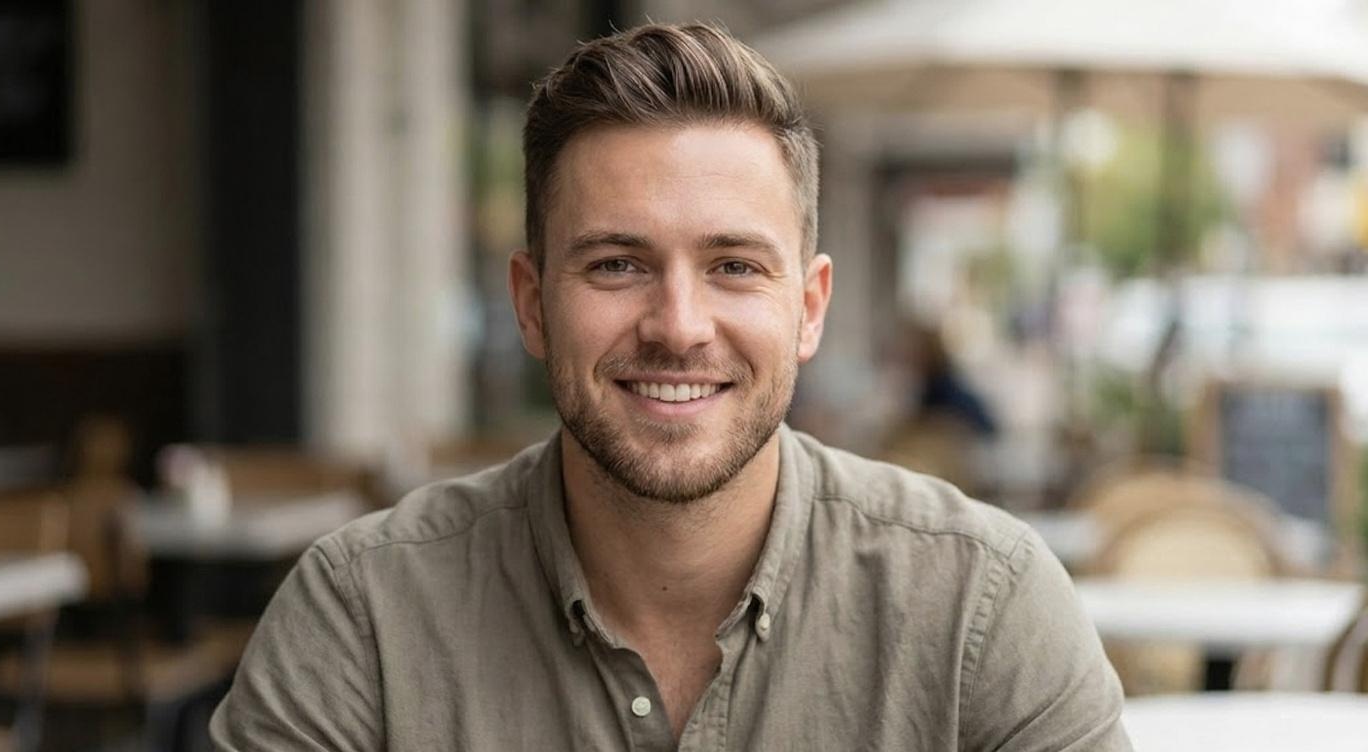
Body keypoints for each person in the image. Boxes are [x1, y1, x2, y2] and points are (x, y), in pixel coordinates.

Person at [211, 22, 1129, 751]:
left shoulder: (982, 607)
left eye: (734, 266)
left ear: (809, 309)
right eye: (616, 264)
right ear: (531, 305)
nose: (679, 326)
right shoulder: (363, 618)